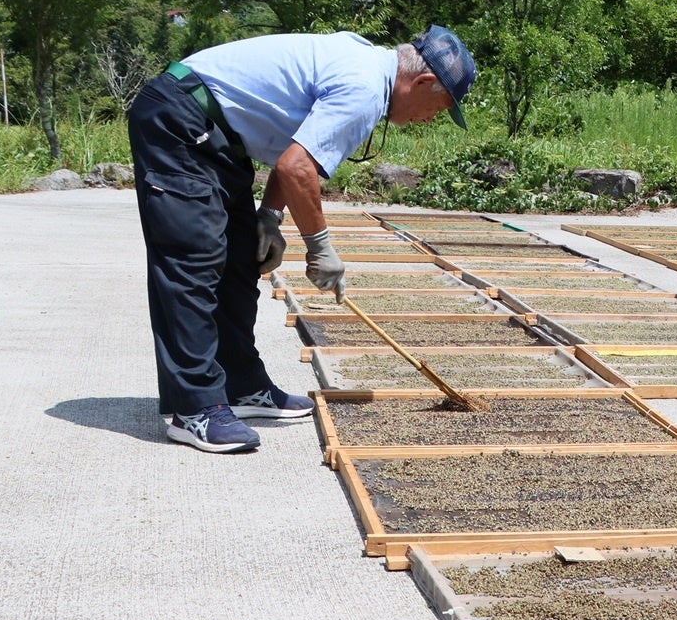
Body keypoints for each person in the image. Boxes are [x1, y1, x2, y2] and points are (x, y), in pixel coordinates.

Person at [126, 26, 475, 453]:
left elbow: (294, 153)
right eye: (438, 107)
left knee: (239, 259)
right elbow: (297, 169)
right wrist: (320, 246)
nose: (429, 118)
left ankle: (240, 385)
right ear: (421, 82)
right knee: (194, 262)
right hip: (180, 121)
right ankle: (193, 408)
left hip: (216, 135)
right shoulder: (366, 89)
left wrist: (269, 218)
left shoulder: (367, 68)